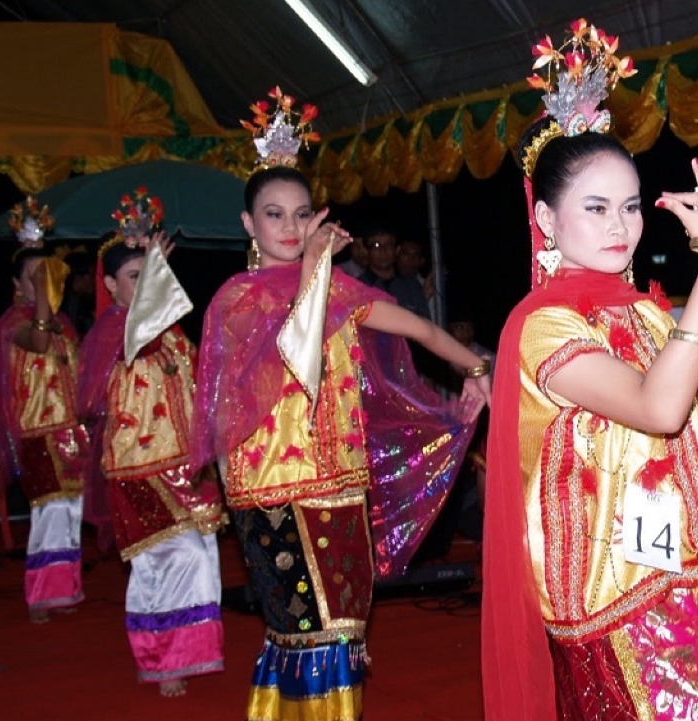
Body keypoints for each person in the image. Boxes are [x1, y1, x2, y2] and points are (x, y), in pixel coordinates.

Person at [482, 26, 698, 721]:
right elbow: (659, 407)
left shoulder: (643, 311)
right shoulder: (541, 326)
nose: (621, 226)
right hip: (609, 587)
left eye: (629, 205)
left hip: (697, 563)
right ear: (545, 219)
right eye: (595, 208)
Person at [192, 89, 491, 721]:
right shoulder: (238, 301)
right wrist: (314, 271)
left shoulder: (337, 287)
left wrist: (476, 367)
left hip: (341, 480)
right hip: (275, 488)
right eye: (275, 215)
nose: (292, 229)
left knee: (345, 624)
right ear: (249, 224)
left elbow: (416, 327)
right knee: (306, 628)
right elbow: (293, 353)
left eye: (302, 214)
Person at [77, 196, 225, 696]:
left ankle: (190, 653)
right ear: (111, 285)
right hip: (138, 466)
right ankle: (161, 658)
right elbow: (133, 341)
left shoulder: (174, 336)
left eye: (151, 273)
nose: (146, 283)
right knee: (164, 559)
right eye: (137, 276)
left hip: (185, 463)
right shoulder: (113, 332)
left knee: (202, 555)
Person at [0, 199, 89, 623]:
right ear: (17, 282)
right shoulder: (13, 326)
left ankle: (64, 590)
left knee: (72, 511)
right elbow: (40, 342)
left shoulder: (65, 322)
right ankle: (40, 596)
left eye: (46, 276)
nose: (41, 285)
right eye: (33, 278)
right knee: (48, 511)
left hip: (71, 429)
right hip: (38, 432)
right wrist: (46, 296)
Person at [359, 229, 431, 319]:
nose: (383, 251)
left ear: (397, 250)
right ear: (367, 251)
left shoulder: (411, 285)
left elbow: (424, 321)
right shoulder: (358, 287)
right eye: (376, 246)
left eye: (388, 245)